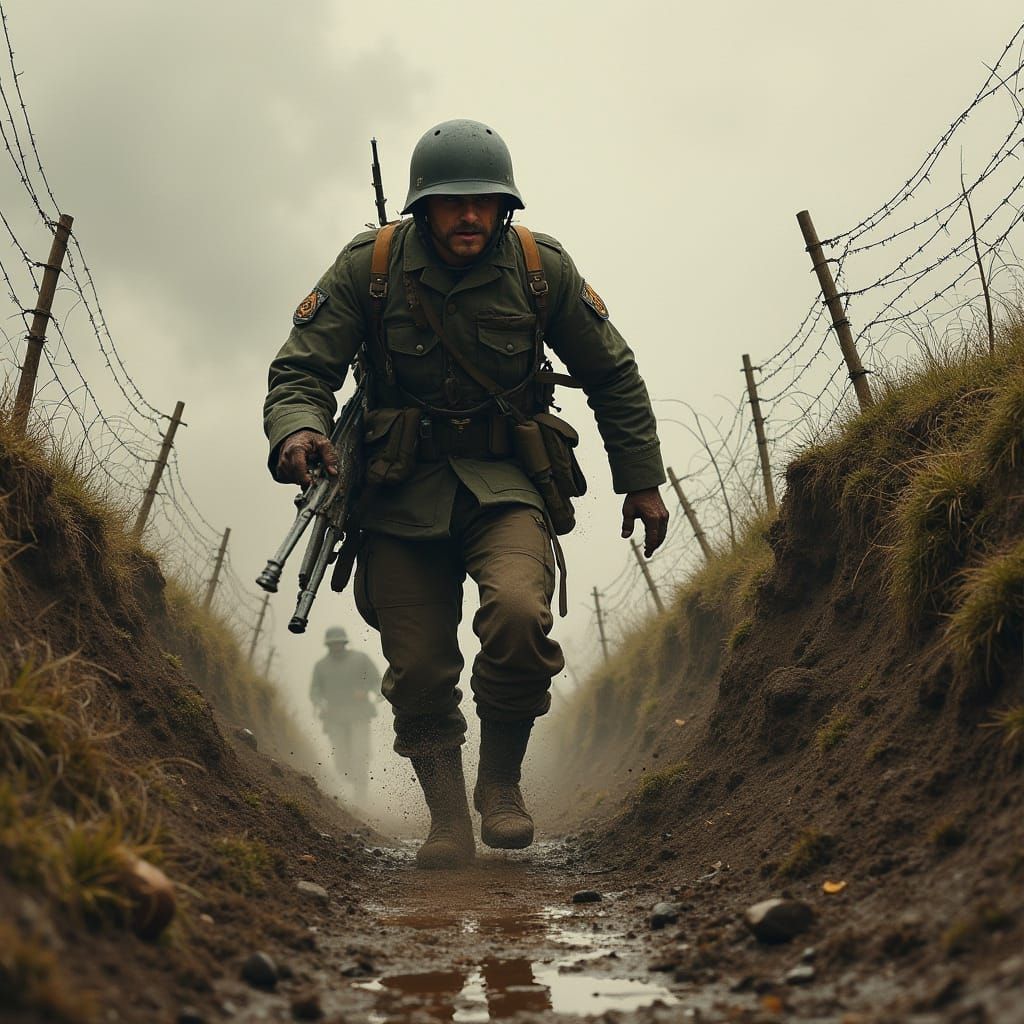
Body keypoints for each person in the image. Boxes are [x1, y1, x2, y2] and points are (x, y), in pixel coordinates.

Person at [264, 119, 668, 869]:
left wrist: (640, 481)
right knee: (417, 668)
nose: (470, 217)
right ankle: (447, 816)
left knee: (518, 614)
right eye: (452, 203)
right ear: (422, 207)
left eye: (485, 201)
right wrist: (298, 432)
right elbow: (300, 371)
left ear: (505, 206)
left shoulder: (539, 266)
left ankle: (501, 785)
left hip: (507, 484)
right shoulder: (371, 266)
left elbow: (613, 373)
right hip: (393, 493)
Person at [309, 626, 381, 803]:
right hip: (334, 718)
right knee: (341, 760)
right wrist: (320, 702)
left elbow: (376, 681)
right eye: (332, 644)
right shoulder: (321, 666)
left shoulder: (361, 659)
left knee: (360, 754)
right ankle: (353, 782)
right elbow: (315, 691)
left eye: (339, 643)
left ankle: (360, 794)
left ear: (345, 642)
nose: (336, 647)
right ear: (327, 645)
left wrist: (370, 692)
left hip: (359, 715)